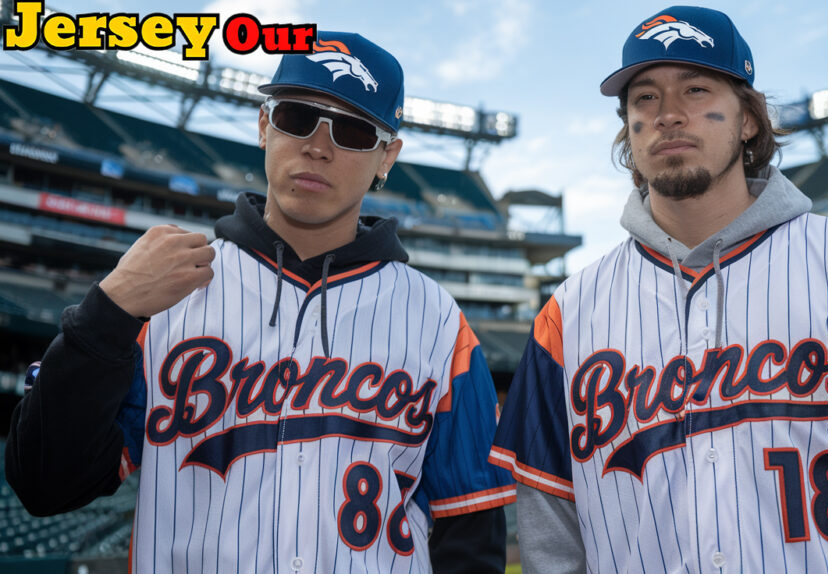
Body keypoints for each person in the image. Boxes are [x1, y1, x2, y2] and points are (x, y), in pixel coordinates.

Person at [490, 6, 828, 573]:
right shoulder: (566, 315)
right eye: (646, 98)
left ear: (748, 120)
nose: (668, 115)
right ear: (628, 128)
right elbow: (551, 539)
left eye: (695, 88)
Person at [6, 31, 514, 573]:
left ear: (387, 156)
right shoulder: (162, 293)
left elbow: (470, 530)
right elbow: (45, 483)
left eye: (353, 130)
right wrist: (106, 314)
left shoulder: (438, 322)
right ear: (264, 125)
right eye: (298, 117)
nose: (318, 146)